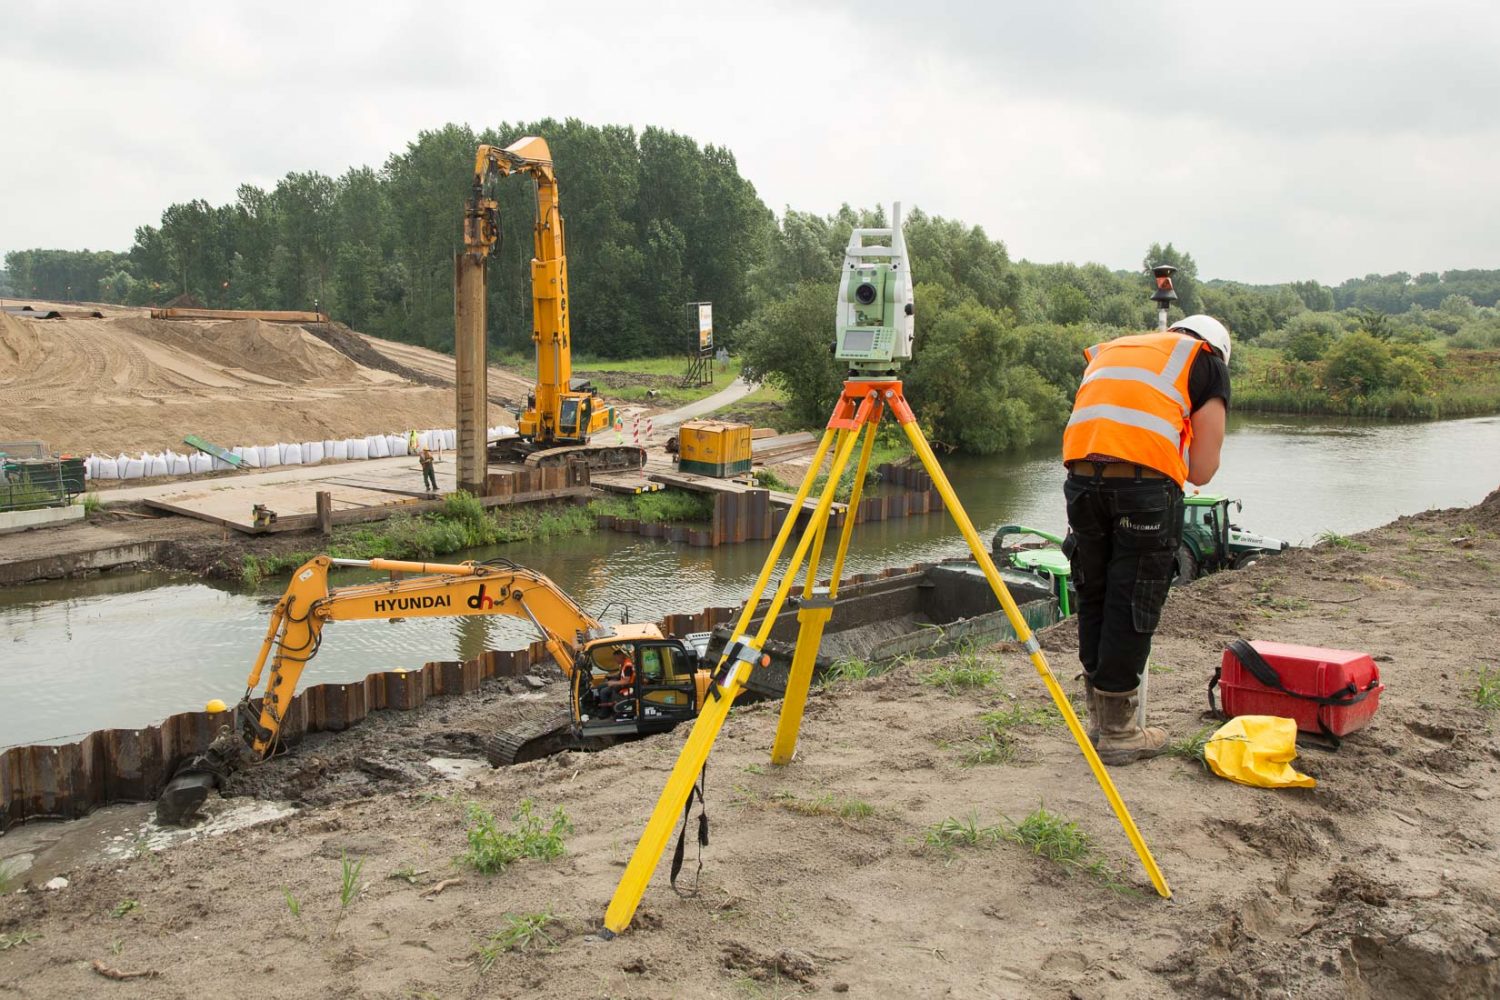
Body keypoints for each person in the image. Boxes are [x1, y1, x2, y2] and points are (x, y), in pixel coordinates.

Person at [1061, 314, 1231, 765]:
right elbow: (1201, 470)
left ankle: (1099, 721)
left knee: (1093, 593)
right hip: (1143, 490)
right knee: (1132, 597)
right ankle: (1119, 734)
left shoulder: (1115, 349)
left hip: (1080, 481)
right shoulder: (1205, 360)